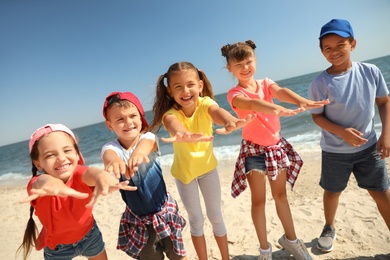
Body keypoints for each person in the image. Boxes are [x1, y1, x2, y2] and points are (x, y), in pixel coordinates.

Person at [221, 40, 329, 260]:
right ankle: (264, 250)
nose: (245, 67)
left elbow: (280, 91)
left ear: (255, 60)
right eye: (239, 64)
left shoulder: (265, 83)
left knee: (281, 196)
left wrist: (302, 101)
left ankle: (291, 240)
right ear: (230, 68)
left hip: (275, 148)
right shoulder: (234, 93)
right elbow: (251, 105)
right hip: (253, 152)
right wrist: (275, 108)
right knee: (258, 201)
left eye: (248, 61)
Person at [149, 61, 254, 260]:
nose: (185, 91)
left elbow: (217, 112)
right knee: (196, 220)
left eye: (190, 85)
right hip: (185, 175)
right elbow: (173, 125)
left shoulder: (205, 103)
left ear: (200, 85)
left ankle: (225, 257)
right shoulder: (170, 114)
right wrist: (183, 134)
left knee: (216, 216)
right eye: (178, 87)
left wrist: (230, 121)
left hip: (208, 170)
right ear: (170, 92)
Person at [308, 18, 390, 253]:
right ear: (322, 52)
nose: (334, 51)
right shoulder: (319, 83)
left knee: (381, 191)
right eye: (328, 48)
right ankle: (329, 226)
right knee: (332, 191)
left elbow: (384, 102)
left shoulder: (370, 71)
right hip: (334, 152)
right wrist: (341, 132)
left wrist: (386, 135)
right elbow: (317, 116)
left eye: (340, 44)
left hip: (369, 148)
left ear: (352, 44)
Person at [17, 123, 136, 260]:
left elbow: (89, 173)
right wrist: (53, 184)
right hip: (58, 248)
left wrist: (101, 176)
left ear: (77, 154)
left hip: (90, 236)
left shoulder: (79, 174)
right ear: (38, 163)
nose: (61, 158)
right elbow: (40, 182)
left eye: (67, 151)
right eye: (50, 155)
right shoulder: (38, 183)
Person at [101, 91, 188, 260]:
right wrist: (114, 163)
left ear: (141, 117)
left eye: (133, 116)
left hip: (163, 212)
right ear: (110, 125)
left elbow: (147, 144)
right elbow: (109, 155)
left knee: (177, 253)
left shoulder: (148, 137)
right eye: (120, 119)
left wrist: (139, 154)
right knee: (150, 256)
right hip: (138, 219)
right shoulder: (111, 148)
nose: (128, 122)